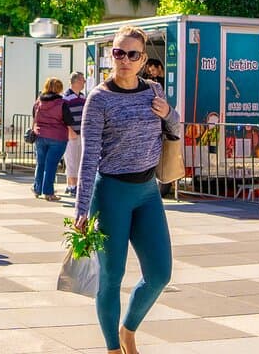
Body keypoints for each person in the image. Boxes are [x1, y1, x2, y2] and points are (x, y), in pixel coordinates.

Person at [74, 25, 180, 354]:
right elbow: (88, 156)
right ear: (111, 55)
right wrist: (80, 208)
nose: (125, 59)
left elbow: (176, 130)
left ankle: (128, 328)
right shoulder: (99, 99)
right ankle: (111, 349)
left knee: (160, 273)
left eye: (132, 54)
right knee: (111, 276)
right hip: (111, 195)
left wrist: (170, 113)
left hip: (147, 192)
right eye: (119, 52)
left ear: (143, 59)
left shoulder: (154, 92)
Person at [31, 77, 72, 202]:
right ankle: (48, 192)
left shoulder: (38, 102)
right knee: (51, 165)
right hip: (58, 137)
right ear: (59, 89)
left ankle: (37, 189)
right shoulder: (62, 103)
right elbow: (68, 120)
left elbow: (34, 117)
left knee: (41, 163)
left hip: (40, 136)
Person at [62, 72, 87, 196]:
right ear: (77, 81)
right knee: (71, 160)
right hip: (71, 133)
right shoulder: (65, 98)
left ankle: (71, 185)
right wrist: (69, 130)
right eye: (83, 80)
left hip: (81, 133)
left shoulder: (83, 97)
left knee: (78, 160)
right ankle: (73, 186)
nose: (84, 83)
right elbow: (63, 117)